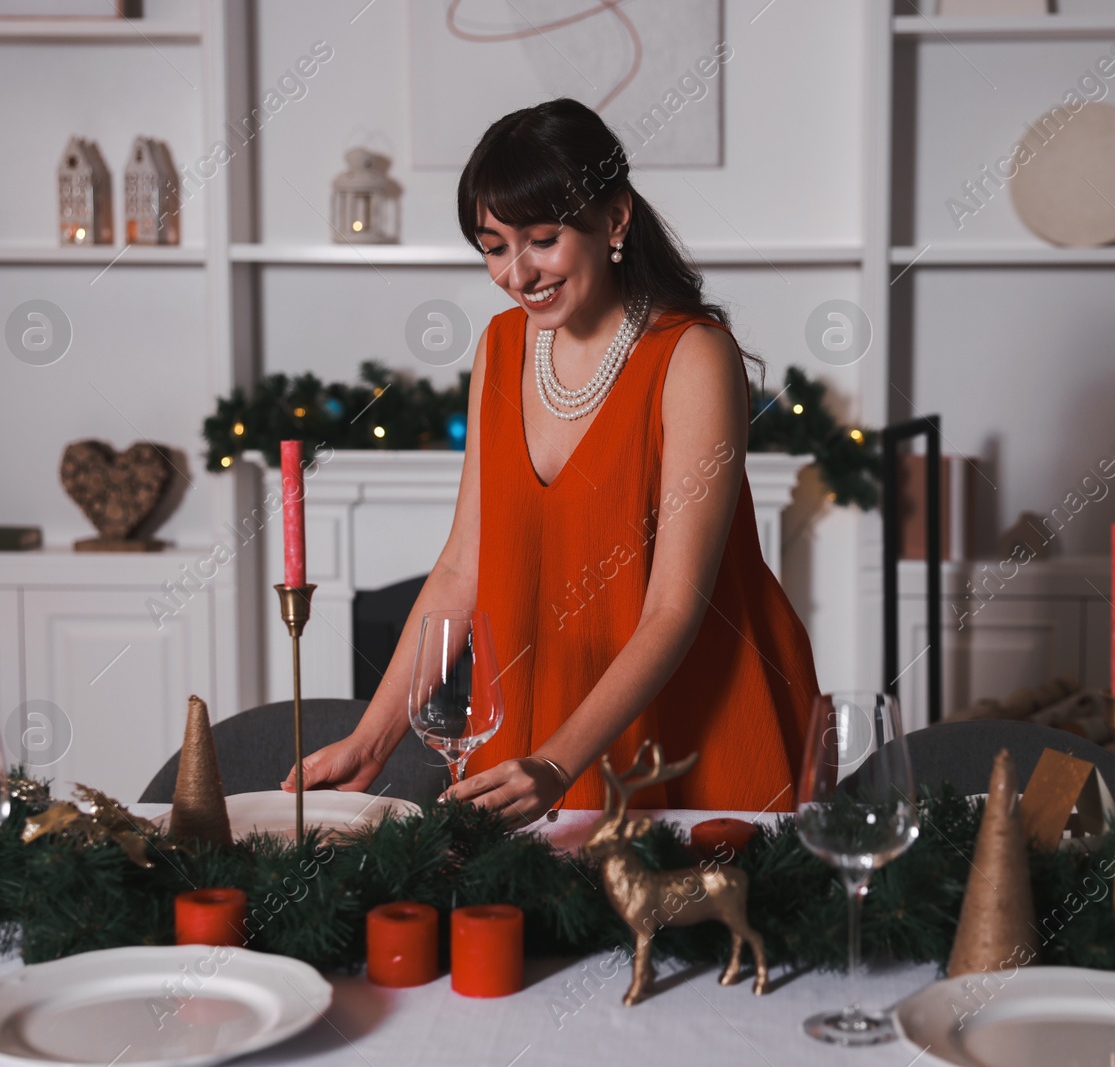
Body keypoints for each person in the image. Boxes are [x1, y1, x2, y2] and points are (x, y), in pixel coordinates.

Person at [285, 97, 820, 823]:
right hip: (540, 729)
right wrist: (372, 737)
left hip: (694, 729)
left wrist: (560, 761)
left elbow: (674, 608)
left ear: (617, 220)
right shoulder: (501, 350)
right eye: (495, 246)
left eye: (541, 238)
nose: (517, 272)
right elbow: (460, 568)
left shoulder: (694, 356)